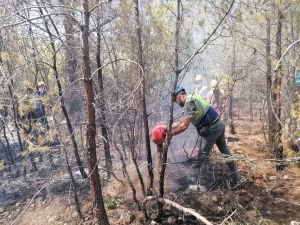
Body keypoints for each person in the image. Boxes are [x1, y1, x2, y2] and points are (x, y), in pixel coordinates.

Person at [170, 86, 240, 190]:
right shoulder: (193, 97)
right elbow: (182, 121)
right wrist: (169, 125)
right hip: (218, 124)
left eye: (176, 100)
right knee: (225, 152)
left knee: (202, 157)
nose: (177, 103)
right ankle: (237, 178)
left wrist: (170, 134)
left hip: (212, 129)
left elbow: (184, 125)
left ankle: (201, 185)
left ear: (179, 96)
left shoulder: (189, 103)